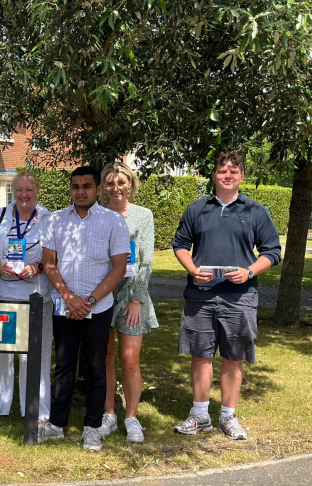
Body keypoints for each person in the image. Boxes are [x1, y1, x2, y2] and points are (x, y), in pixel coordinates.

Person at [171, 151, 281, 440]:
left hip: (240, 296)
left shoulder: (256, 212)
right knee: (200, 354)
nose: (228, 175)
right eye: (222, 170)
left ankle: (228, 417)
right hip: (200, 295)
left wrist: (249, 272)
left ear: (242, 176)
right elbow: (180, 245)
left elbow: (272, 252)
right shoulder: (197, 209)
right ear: (214, 175)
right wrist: (193, 269)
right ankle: (200, 415)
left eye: (234, 171)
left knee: (235, 356)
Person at [38, 165, 129, 451]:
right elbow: (49, 264)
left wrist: (88, 301)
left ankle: (91, 427)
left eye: (86, 186)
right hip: (65, 306)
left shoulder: (114, 221)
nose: (80, 192)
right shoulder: (55, 220)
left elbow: (118, 268)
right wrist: (68, 296)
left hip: (98, 308)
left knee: (96, 367)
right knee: (64, 366)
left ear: (97, 189)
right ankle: (56, 423)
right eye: (75, 186)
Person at [0, 171, 53, 425]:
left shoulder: (47, 219)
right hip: (1, 294)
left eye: (29, 189)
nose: (23, 194)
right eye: (19, 189)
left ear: (37, 191)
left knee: (35, 354)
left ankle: (37, 410)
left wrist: (38, 267)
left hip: (36, 296)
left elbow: (56, 255)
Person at [97, 162, 158, 443]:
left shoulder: (143, 216)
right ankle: (109, 413)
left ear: (131, 184)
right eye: (110, 183)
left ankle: (131, 417)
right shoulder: (96, 215)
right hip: (101, 292)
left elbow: (146, 260)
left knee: (130, 360)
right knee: (105, 358)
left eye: (121, 182)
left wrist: (136, 298)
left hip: (132, 293)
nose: (116, 188)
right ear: (103, 187)